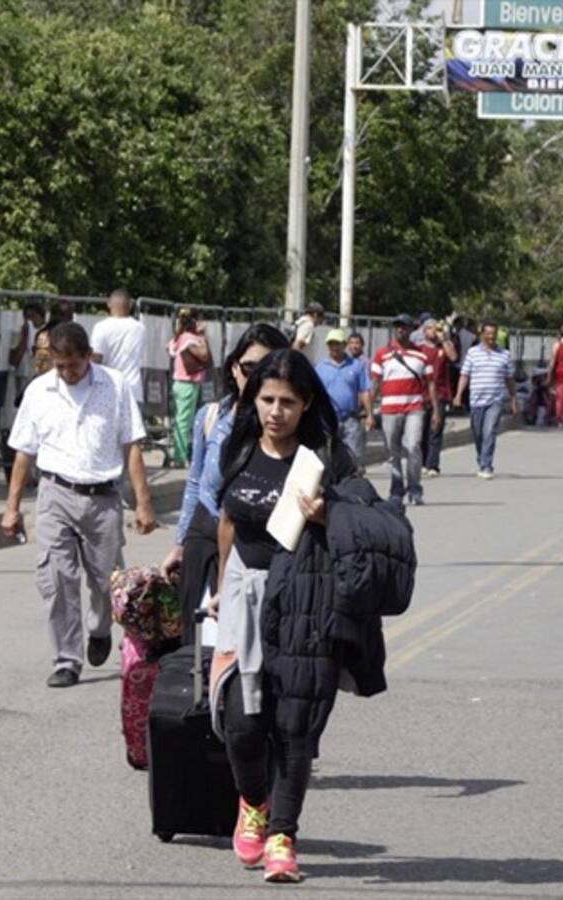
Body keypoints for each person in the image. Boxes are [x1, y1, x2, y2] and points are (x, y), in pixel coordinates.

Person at [211, 349, 414, 883]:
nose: (276, 411)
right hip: (243, 596)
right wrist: (217, 588)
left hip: (306, 597)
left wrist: (330, 513)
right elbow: (228, 520)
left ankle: (283, 835)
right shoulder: (237, 447)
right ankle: (253, 801)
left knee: (294, 726)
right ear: (254, 400)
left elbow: (372, 514)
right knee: (243, 724)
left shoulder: (327, 456)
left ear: (305, 406)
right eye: (268, 400)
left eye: (288, 402)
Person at [1, 323, 157, 687]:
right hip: (55, 493)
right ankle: (67, 659)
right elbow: (24, 453)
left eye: (74, 364)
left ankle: (99, 628)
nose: (68, 372)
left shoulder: (114, 386)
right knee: (57, 578)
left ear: (89, 356)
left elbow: (132, 446)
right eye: (60, 366)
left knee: (106, 582)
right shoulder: (39, 392)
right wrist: (11, 508)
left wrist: (143, 502)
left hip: (102, 498)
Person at [159, 324, 291, 618]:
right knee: (200, 651)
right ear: (233, 368)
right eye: (249, 368)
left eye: (268, 370)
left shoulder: (286, 427)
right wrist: (179, 545)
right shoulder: (211, 416)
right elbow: (195, 485)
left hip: (257, 552)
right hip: (204, 542)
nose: (257, 379)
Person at [371, 314, 439, 506]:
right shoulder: (382, 354)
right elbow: (375, 383)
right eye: (397, 326)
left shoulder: (422, 355)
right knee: (393, 452)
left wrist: (436, 410)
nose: (400, 330)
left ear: (411, 330)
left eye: (404, 327)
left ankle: (415, 489)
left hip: (414, 408)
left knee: (413, 446)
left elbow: (431, 384)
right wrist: (368, 411)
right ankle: (396, 489)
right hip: (389, 409)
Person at [453, 321, 518, 478]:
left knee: (489, 431)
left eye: (494, 334)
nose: (491, 337)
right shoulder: (473, 353)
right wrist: (458, 394)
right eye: (488, 333)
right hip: (476, 400)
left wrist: (513, 399)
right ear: (482, 334)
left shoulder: (504, 354)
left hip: (495, 400)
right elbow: (465, 375)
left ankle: (486, 465)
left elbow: (509, 379)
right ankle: (482, 456)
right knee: (478, 434)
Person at [317, 329, 374, 469]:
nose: (334, 347)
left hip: (351, 418)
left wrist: (370, 415)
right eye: (331, 344)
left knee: (354, 456)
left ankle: (353, 484)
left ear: (344, 345)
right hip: (328, 419)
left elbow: (364, 390)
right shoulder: (320, 368)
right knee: (327, 456)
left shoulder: (356, 366)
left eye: (337, 343)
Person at [90, 287, 147, 409]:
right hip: (133, 389)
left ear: (109, 304)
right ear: (130, 305)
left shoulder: (101, 327)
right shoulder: (140, 328)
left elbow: (96, 358)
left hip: (108, 389)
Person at [167, 307, 211, 466]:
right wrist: (203, 336)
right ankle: (180, 457)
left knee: (181, 420)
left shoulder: (178, 338)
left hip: (178, 383)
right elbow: (205, 355)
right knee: (185, 421)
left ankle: (181, 453)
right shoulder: (192, 339)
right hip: (189, 384)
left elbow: (169, 349)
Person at [418, 317, 458, 477]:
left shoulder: (443, 347)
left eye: (436, 328)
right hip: (421, 394)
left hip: (440, 394)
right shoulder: (419, 349)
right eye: (430, 328)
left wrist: (444, 339)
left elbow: (454, 357)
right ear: (424, 331)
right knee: (421, 430)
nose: (433, 331)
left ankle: (432, 464)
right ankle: (422, 462)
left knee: (436, 429)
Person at [9, 301, 46, 399]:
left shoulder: (47, 334)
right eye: (27, 317)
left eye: (33, 316)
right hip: (23, 377)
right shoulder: (19, 333)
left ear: (42, 318)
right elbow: (14, 360)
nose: (31, 320)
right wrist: (24, 338)